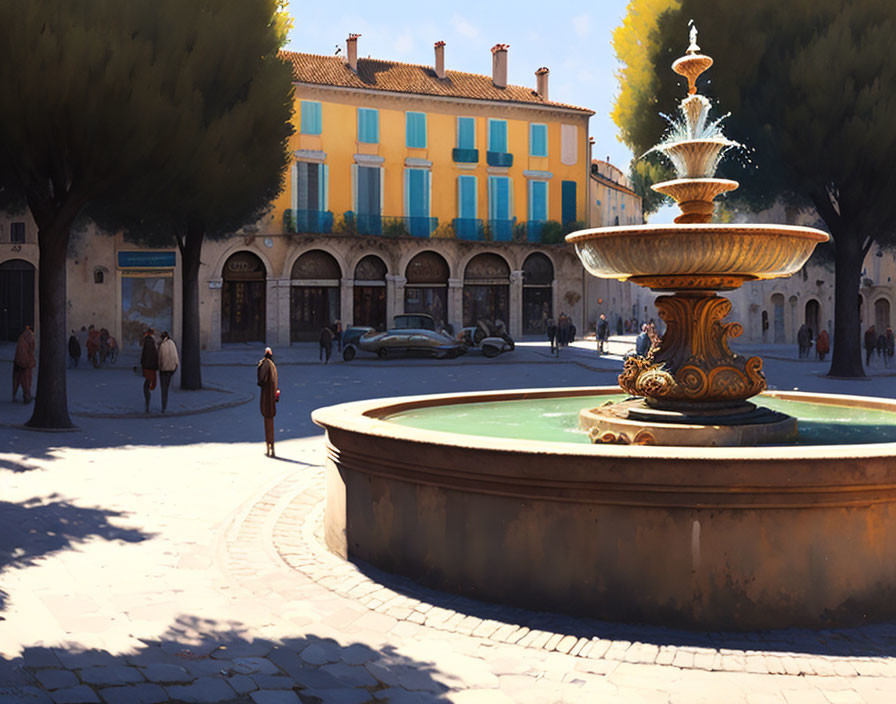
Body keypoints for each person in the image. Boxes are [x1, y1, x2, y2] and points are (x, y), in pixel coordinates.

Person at [257, 347, 279, 457]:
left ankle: (268, 447)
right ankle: (273, 447)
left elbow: (260, 380)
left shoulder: (264, 364)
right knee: (271, 424)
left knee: (267, 423)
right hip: (272, 399)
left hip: (266, 398)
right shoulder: (273, 366)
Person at [12, 325, 36, 404]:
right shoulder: (30, 338)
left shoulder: (21, 338)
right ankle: (26, 396)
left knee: (16, 379)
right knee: (27, 381)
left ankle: (14, 395)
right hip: (26, 363)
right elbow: (31, 349)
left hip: (18, 362)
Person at [158, 331, 179, 413]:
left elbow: (160, 359)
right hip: (171, 369)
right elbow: (175, 356)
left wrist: (159, 367)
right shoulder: (172, 343)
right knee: (166, 387)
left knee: (163, 389)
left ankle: (163, 406)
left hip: (163, 369)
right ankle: (165, 405)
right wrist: (175, 366)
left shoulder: (162, 345)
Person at [140, 328, 159, 413]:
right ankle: (147, 405)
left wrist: (143, 365)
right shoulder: (151, 341)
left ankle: (147, 406)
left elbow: (146, 355)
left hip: (148, 367)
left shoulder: (148, 341)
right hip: (151, 367)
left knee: (146, 387)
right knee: (147, 386)